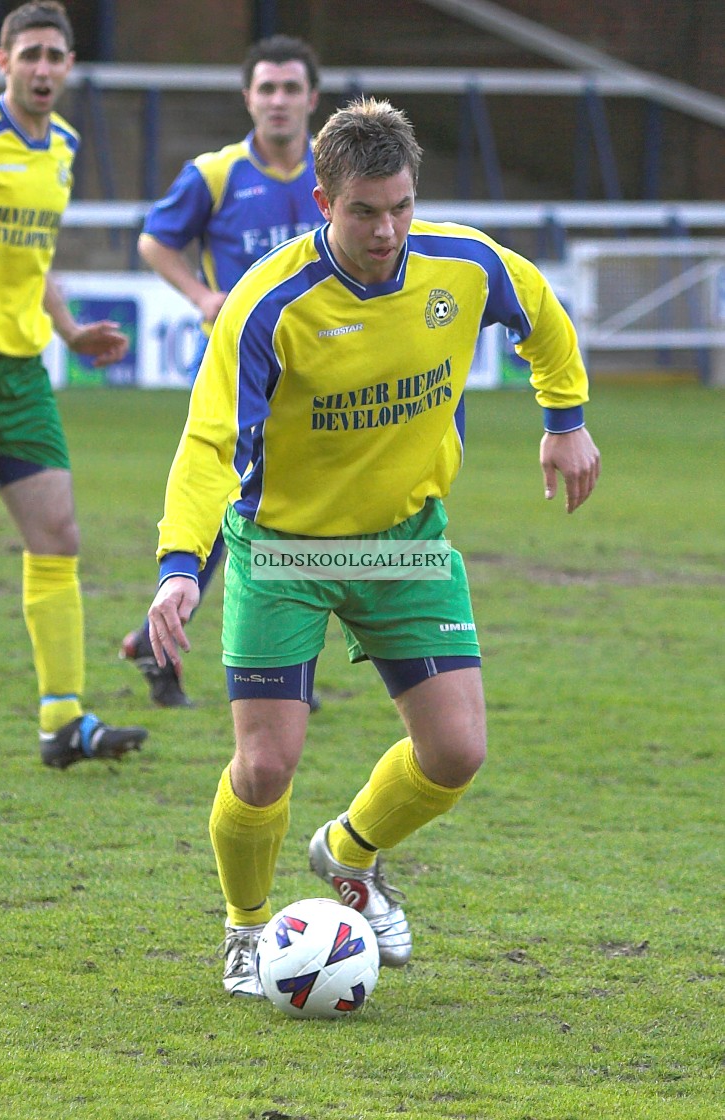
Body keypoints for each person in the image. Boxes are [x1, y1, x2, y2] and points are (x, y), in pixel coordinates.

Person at [147, 98, 601, 997]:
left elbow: (540, 313)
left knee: (456, 754)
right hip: (284, 550)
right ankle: (245, 931)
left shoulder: (464, 265)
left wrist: (565, 419)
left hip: (404, 544)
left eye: (399, 206)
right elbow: (208, 446)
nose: (386, 229)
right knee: (266, 763)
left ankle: (349, 851)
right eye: (364, 211)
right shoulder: (269, 303)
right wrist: (178, 568)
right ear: (324, 200)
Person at [120, 34, 323, 709]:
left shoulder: (335, 174)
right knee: (236, 507)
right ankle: (240, 655)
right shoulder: (216, 174)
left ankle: (267, 661)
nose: (278, 101)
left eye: (290, 88)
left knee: (293, 513)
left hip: (316, 378)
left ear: (311, 99)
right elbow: (155, 240)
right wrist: (203, 297)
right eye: (266, 88)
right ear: (247, 97)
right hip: (240, 377)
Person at [0, 2, 147, 769]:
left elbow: (35, 258)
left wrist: (71, 330)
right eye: (30, 54)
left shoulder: (65, 147)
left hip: (17, 373)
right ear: (3, 58)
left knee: (57, 536)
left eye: (56, 56)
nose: (43, 68)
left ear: (70, 65)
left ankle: (62, 721)